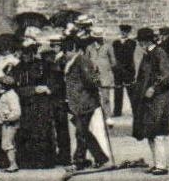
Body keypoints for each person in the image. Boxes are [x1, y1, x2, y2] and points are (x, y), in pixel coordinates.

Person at [130, 27, 169, 175]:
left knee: (158, 132)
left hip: (159, 98)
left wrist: (153, 88)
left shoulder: (159, 53)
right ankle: (157, 163)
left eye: (141, 41)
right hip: (149, 100)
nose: (139, 44)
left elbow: (167, 75)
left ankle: (161, 165)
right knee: (150, 131)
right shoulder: (148, 54)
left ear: (146, 41)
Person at [62, 35, 110, 170]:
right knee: (83, 132)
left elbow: (90, 81)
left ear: (74, 49)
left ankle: (80, 160)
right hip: (77, 103)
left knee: (81, 132)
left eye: (67, 50)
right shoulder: (72, 61)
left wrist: (94, 95)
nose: (65, 54)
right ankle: (98, 158)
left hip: (85, 102)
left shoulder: (82, 60)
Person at [12, 41, 58, 170]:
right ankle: (27, 161)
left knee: (43, 132)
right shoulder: (18, 68)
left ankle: (45, 161)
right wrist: (33, 89)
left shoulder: (44, 66)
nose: (27, 55)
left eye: (30, 52)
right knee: (26, 132)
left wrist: (48, 89)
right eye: (25, 52)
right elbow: (16, 88)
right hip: (26, 105)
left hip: (42, 105)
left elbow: (54, 82)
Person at [111, 24, 137, 119]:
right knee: (118, 91)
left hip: (128, 69)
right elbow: (114, 56)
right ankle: (117, 111)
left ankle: (135, 110)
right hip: (118, 70)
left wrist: (127, 67)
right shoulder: (115, 43)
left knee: (131, 90)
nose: (123, 33)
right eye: (122, 31)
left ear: (128, 33)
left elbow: (130, 56)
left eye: (125, 32)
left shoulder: (132, 43)